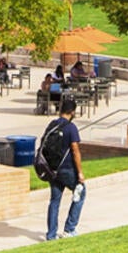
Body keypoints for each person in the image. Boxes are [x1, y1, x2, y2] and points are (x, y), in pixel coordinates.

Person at [38, 99, 86, 241]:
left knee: (54, 201)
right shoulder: (71, 128)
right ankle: (69, 229)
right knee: (81, 193)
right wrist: (80, 173)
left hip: (52, 170)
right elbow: (75, 151)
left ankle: (51, 234)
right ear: (72, 112)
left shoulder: (52, 125)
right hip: (67, 169)